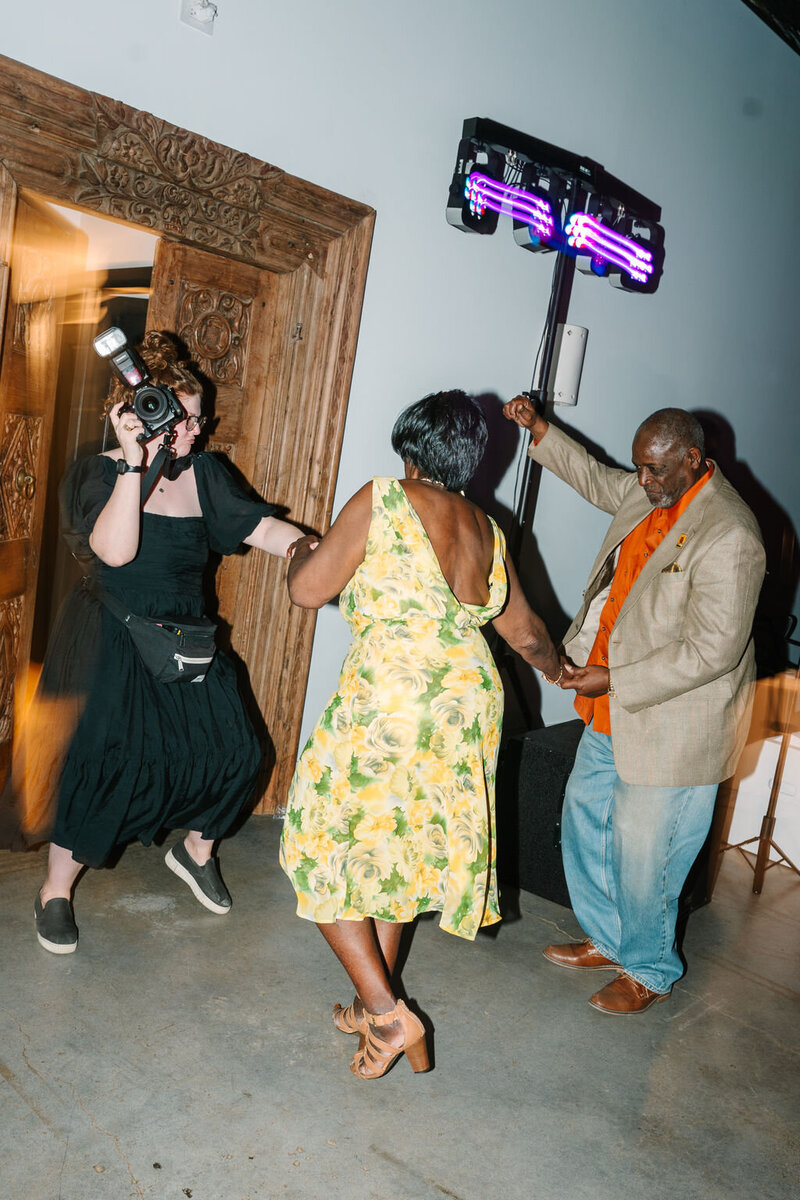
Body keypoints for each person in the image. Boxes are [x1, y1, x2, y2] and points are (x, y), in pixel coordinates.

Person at [280, 390, 560, 1079]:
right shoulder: (488, 528)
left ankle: (387, 1014)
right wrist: (567, 671)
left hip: (394, 696)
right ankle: (368, 996)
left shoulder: (386, 496)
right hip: (464, 701)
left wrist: (300, 549)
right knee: (396, 853)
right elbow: (523, 631)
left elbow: (309, 591)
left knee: (319, 845)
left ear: (410, 452)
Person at [27, 331, 302, 954]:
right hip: (113, 634)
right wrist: (132, 464)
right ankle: (55, 890)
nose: (195, 432)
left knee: (236, 749)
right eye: (183, 418)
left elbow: (259, 526)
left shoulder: (205, 472)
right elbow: (115, 551)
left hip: (185, 633)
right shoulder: (98, 473)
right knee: (103, 765)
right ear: (136, 411)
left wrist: (310, 549)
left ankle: (196, 851)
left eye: (199, 420)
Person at [503, 396, 766, 1014]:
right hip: (611, 713)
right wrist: (541, 431)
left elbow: (712, 652)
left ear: (694, 461)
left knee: (648, 855)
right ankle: (612, 938)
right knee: (585, 823)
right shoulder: (651, 493)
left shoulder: (730, 534)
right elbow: (598, 478)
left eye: (653, 470)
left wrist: (614, 679)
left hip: (675, 723)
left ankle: (648, 968)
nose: (641, 480)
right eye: (638, 467)